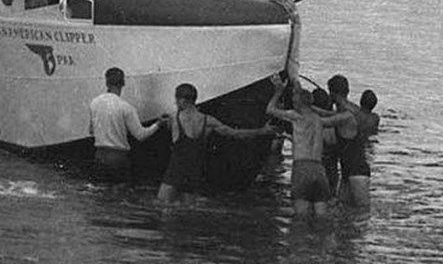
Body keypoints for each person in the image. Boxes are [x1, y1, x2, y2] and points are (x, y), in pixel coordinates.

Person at [157, 83, 266, 206]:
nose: (175, 103)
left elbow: (169, 130)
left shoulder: (174, 118)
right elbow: (235, 133)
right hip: (194, 173)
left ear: (182, 100)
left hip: (175, 171)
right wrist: (262, 130)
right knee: (187, 211)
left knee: (162, 206)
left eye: (176, 100)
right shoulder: (208, 120)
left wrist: (161, 122)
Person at [266, 74, 346, 217]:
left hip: (302, 168)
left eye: (294, 102)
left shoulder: (295, 116)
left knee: (300, 219)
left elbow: (270, 109)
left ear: (298, 104)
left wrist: (278, 92)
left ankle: (303, 239)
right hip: (319, 170)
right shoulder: (319, 120)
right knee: (322, 217)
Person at [88, 67, 160, 176]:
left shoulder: (94, 103)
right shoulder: (126, 107)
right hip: (118, 157)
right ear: (123, 83)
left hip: (99, 154)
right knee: (119, 190)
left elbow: (91, 130)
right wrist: (158, 124)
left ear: (106, 83)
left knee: (101, 189)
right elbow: (140, 135)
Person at [324, 75, 371, 207]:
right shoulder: (353, 109)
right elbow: (330, 115)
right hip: (348, 171)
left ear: (331, 93)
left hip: (357, 171)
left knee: (362, 212)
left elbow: (323, 121)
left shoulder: (345, 115)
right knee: (344, 212)